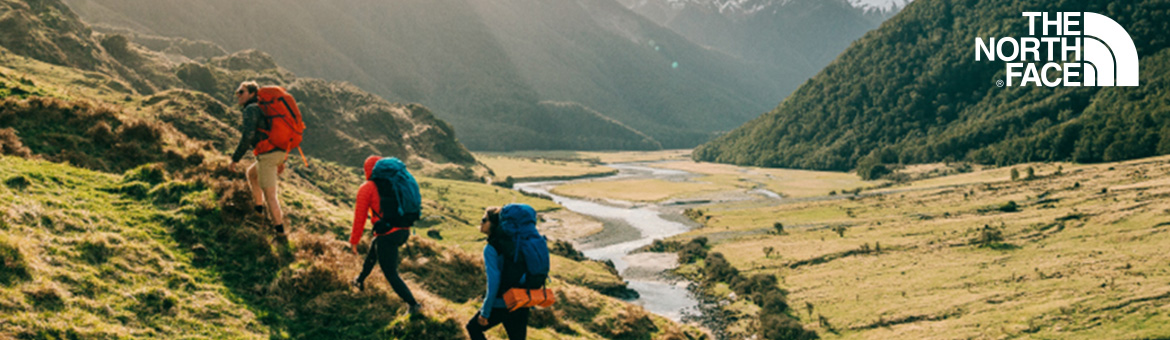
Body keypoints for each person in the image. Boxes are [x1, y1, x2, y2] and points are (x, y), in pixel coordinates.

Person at [349, 155, 422, 316]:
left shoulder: (367, 187)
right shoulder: (395, 183)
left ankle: (413, 304)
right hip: (403, 230)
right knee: (375, 247)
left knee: (390, 273)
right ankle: (359, 281)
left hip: (388, 234)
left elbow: (359, 218)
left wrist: (354, 241)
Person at [228, 81, 286, 235]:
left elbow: (248, 136)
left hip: (268, 155)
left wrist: (235, 159)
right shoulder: (262, 108)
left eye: (242, 92)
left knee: (270, 196)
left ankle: (280, 234)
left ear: (252, 94)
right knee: (252, 174)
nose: (238, 95)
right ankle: (258, 212)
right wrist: (282, 159)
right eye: (237, 92)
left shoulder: (251, 109)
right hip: (277, 151)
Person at [466, 207, 530, 340]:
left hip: (503, 302)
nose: (481, 223)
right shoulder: (518, 243)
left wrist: (485, 312)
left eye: (484, 220)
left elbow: (494, 282)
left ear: (494, 225)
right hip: (521, 300)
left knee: (473, 328)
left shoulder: (491, 248)